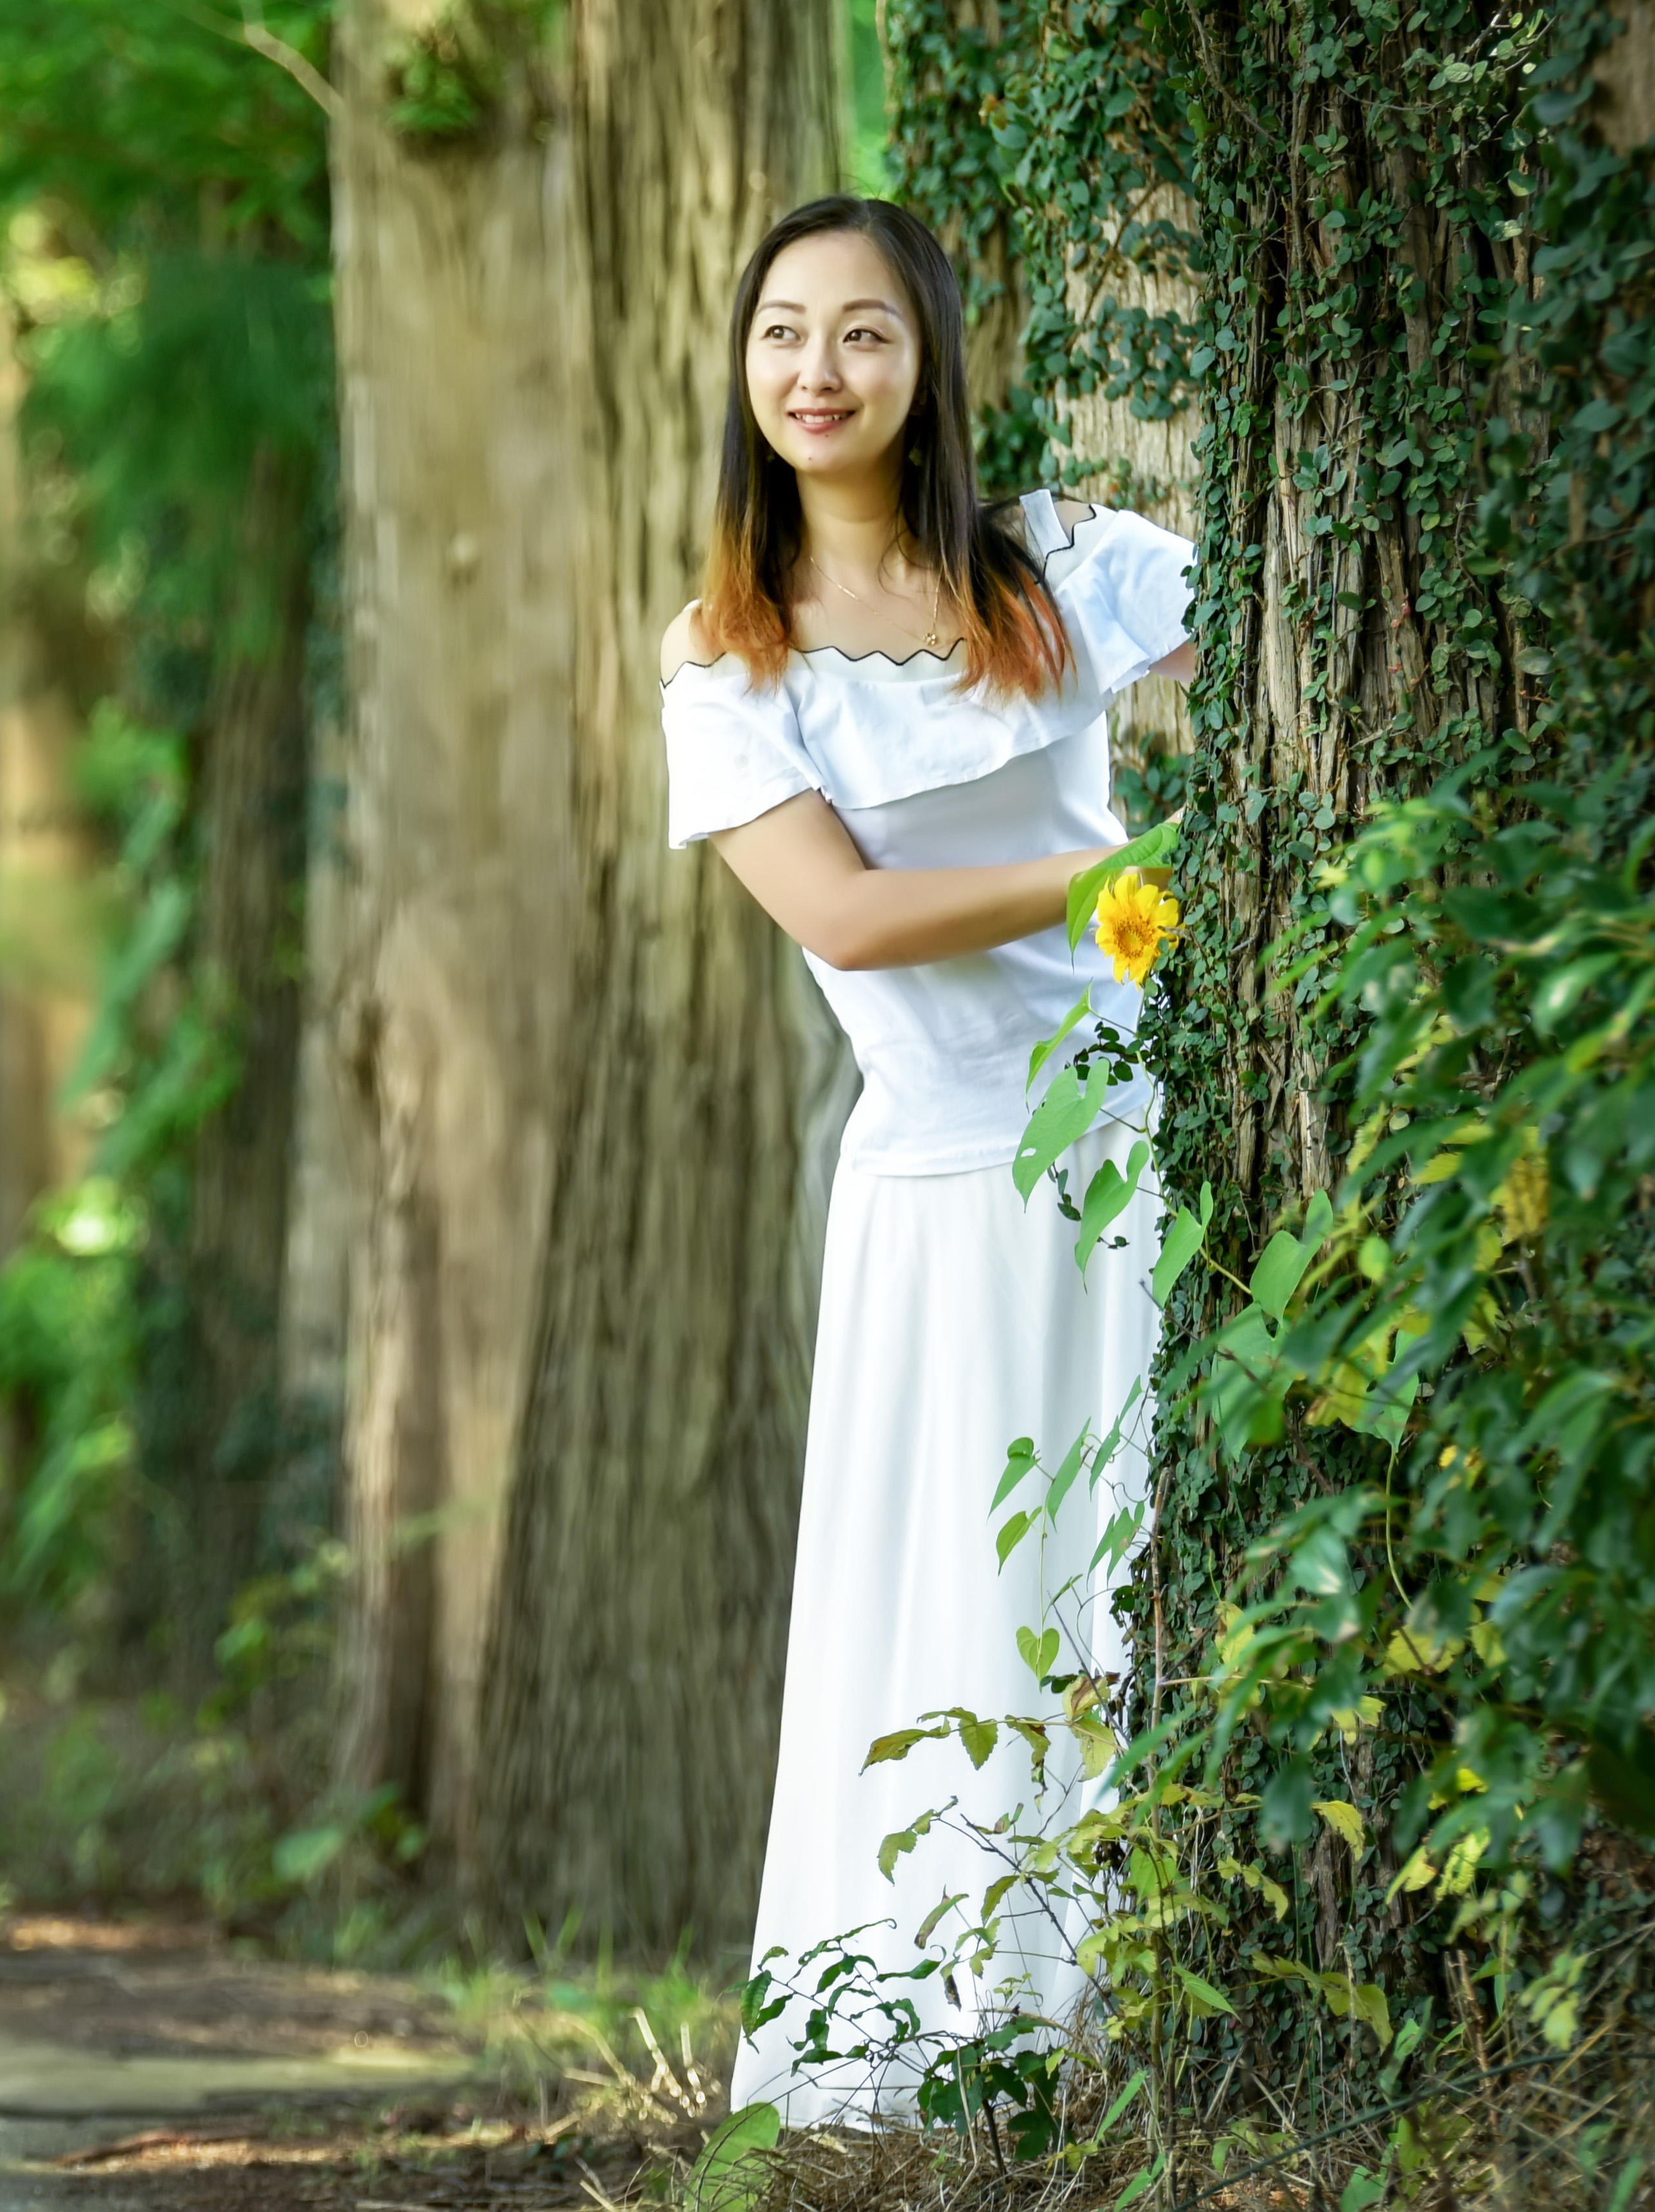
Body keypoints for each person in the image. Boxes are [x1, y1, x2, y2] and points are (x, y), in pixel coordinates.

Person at [657, 191, 1197, 2126]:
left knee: (1132, 1564)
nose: (820, 369)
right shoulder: (732, 662)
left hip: (1145, 1149)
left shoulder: (1057, 567)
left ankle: (1143, 2014)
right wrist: (1128, 872)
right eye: (785, 331)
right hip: (947, 1183)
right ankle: (954, 2057)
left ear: (930, 360)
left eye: (865, 332)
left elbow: (1281, 638)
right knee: (965, 1595)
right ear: (744, 369)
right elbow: (855, 922)